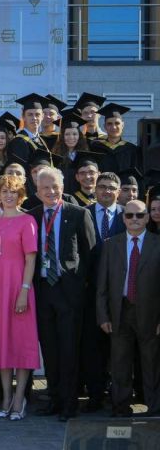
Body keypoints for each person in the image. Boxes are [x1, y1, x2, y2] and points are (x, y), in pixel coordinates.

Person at [29, 167, 96, 421]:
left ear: (63, 187)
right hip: (43, 290)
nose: (51, 191)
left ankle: (69, 404)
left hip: (69, 293)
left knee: (69, 349)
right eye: (45, 187)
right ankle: (54, 399)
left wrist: (82, 287)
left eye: (55, 186)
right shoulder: (32, 216)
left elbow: (90, 255)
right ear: (37, 191)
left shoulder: (78, 214)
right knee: (50, 349)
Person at [0, 175, 39, 421]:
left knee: (21, 342)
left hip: (19, 287)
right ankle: (6, 397)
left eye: (13, 191)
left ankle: (19, 398)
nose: (8, 195)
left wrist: (24, 291)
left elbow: (30, 259)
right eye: (4, 191)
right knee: (2, 343)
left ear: (20, 196)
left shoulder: (27, 221)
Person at [97, 200, 160, 416]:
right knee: (120, 362)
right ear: (123, 218)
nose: (134, 219)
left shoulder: (157, 244)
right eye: (130, 215)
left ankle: (154, 407)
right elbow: (102, 285)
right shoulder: (110, 245)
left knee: (151, 362)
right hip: (120, 311)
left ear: (147, 218)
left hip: (150, 313)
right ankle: (121, 406)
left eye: (140, 215)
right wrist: (103, 316)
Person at [80, 172, 125, 413]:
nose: (106, 191)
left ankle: (119, 397)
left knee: (120, 348)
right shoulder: (82, 213)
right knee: (92, 347)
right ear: (95, 189)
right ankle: (95, 395)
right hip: (90, 293)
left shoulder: (129, 215)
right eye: (102, 187)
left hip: (121, 293)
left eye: (111, 187)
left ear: (118, 191)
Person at [7, 94, 51, 166]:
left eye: (37, 114)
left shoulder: (42, 140)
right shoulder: (18, 142)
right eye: (30, 115)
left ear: (42, 116)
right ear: (23, 116)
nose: (34, 118)